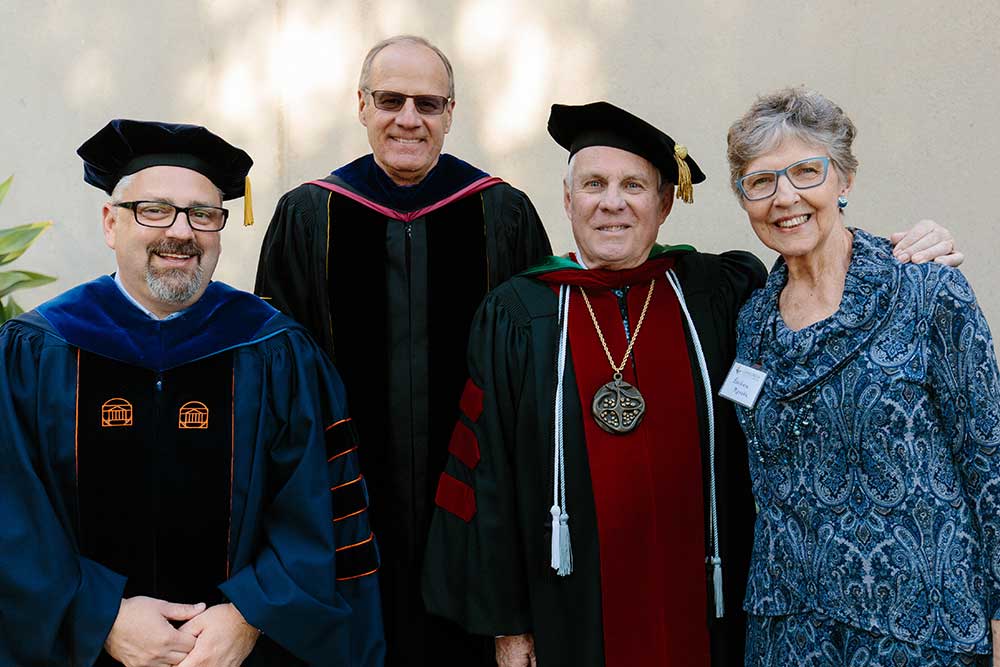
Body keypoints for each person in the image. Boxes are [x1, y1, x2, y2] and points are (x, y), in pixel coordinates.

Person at [421, 101, 963, 667]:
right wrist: (509, 627)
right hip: (571, 617)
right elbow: (485, 481)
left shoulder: (720, 293)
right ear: (568, 199)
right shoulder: (517, 316)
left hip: (712, 608)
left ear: (662, 205)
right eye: (593, 184)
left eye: (634, 185)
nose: (612, 202)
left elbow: (813, 318)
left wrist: (910, 249)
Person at [0, 119, 383, 667]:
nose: (181, 231)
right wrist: (101, 613)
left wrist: (251, 613)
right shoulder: (36, 351)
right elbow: (11, 513)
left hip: (242, 651)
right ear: (111, 223)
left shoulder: (276, 351)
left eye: (203, 214)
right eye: (154, 209)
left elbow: (322, 503)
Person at [254, 34, 551, 666]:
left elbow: (539, 375)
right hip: (344, 511)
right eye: (391, 100)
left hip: (476, 514)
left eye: (428, 103)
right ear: (361, 105)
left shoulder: (503, 213)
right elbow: (275, 384)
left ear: (451, 112)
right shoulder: (309, 215)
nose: (408, 118)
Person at [726, 87, 1000, 667]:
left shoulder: (926, 291)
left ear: (844, 180)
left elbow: (989, 459)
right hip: (790, 636)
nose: (785, 198)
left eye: (806, 171)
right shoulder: (750, 322)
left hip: (920, 632)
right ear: (744, 198)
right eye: (761, 181)